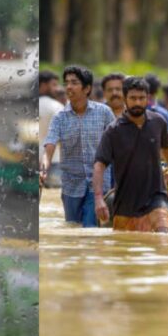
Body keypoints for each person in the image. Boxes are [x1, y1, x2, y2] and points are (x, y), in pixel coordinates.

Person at [93, 77, 168, 233]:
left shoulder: (158, 122)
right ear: (125, 99)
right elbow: (99, 165)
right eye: (133, 98)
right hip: (125, 204)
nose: (137, 102)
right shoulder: (113, 130)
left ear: (148, 99)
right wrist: (98, 198)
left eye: (141, 98)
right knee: (125, 249)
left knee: (164, 238)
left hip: (156, 198)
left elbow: (166, 149)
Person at [42, 65, 116, 227]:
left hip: (98, 184)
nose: (68, 86)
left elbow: (117, 146)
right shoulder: (59, 117)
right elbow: (50, 144)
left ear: (87, 88)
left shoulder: (104, 113)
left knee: (90, 228)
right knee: (72, 227)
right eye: (66, 82)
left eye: (74, 82)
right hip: (71, 185)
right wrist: (44, 167)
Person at [39, 71, 64, 185]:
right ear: (44, 86)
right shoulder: (56, 106)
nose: (57, 89)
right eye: (54, 85)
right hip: (53, 159)